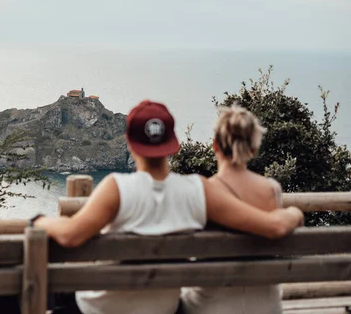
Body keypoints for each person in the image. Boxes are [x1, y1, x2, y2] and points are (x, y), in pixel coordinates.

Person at [34, 100, 303, 314]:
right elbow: (272, 226)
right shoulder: (198, 189)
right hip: (164, 308)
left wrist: (38, 221)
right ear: (173, 144)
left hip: (101, 308)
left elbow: (71, 234)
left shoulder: (116, 187)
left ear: (129, 143)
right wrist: (292, 212)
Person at [180, 105, 288, 314]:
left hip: (212, 306)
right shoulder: (272, 190)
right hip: (266, 306)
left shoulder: (204, 191)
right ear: (254, 149)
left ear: (215, 146)